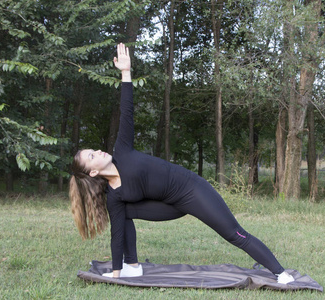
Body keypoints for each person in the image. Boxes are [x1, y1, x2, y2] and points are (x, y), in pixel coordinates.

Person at [69, 43, 295, 284]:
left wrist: (126, 72)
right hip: (169, 206)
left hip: (191, 190)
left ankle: (281, 273)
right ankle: (131, 266)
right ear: (93, 172)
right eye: (92, 156)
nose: (98, 151)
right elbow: (117, 235)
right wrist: (115, 275)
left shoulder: (122, 151)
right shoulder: (115, 197)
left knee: (233, 234)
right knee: (121, 215)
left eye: (94, 150)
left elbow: (127, 111)